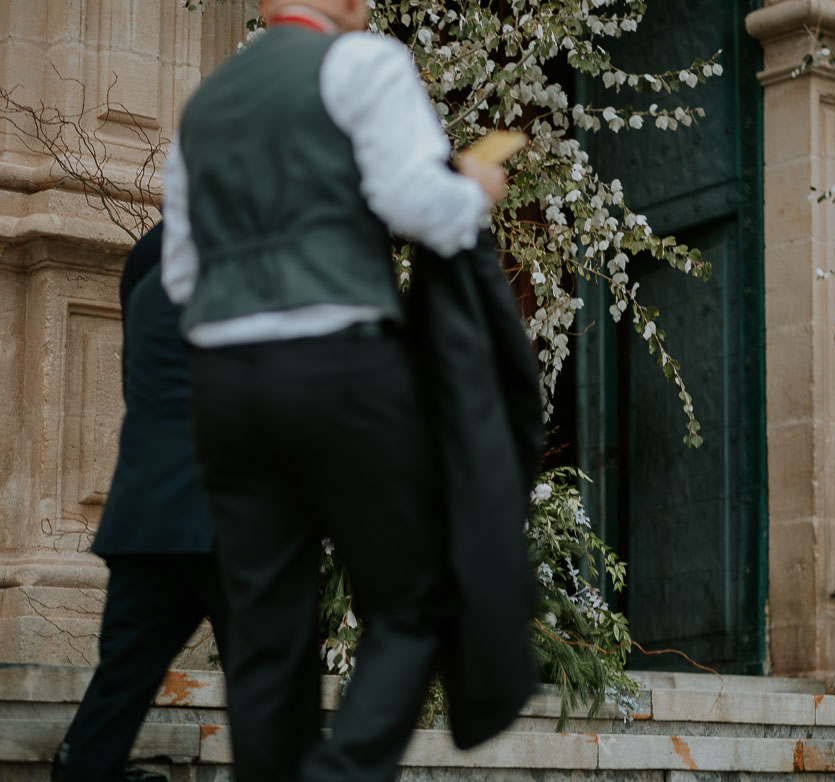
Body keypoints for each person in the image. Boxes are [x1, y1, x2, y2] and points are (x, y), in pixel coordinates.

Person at [160, 1, 510, 779]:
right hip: (340, 365)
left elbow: (182, 275)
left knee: (263, 629)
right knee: (410, 598)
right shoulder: (364, 64)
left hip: (223, 383)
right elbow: (415, 205)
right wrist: (474, 188)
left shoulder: (204, 105)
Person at [52, 222, 230, 782]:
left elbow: (140, 379)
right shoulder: (274, 240)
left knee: (118, 688)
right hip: (236, 510)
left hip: (149, 505)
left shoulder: (153, 251)